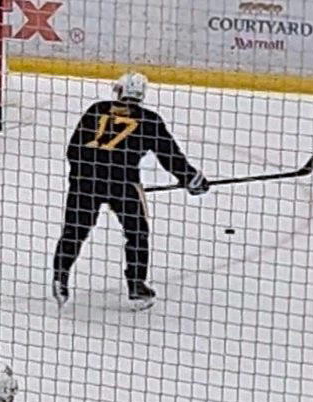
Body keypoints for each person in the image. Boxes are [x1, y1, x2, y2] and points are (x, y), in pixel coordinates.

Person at [52, 72, 209, 310]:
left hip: (85, 182)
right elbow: (169, 155)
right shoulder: (149, 120)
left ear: (118, 91)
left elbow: (74, 149)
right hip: (123, 183)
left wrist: (81, 177)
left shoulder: (96, 109)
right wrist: (191, 178)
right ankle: (136, 286)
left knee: (75, 230)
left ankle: (60, 277)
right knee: (137, 232)